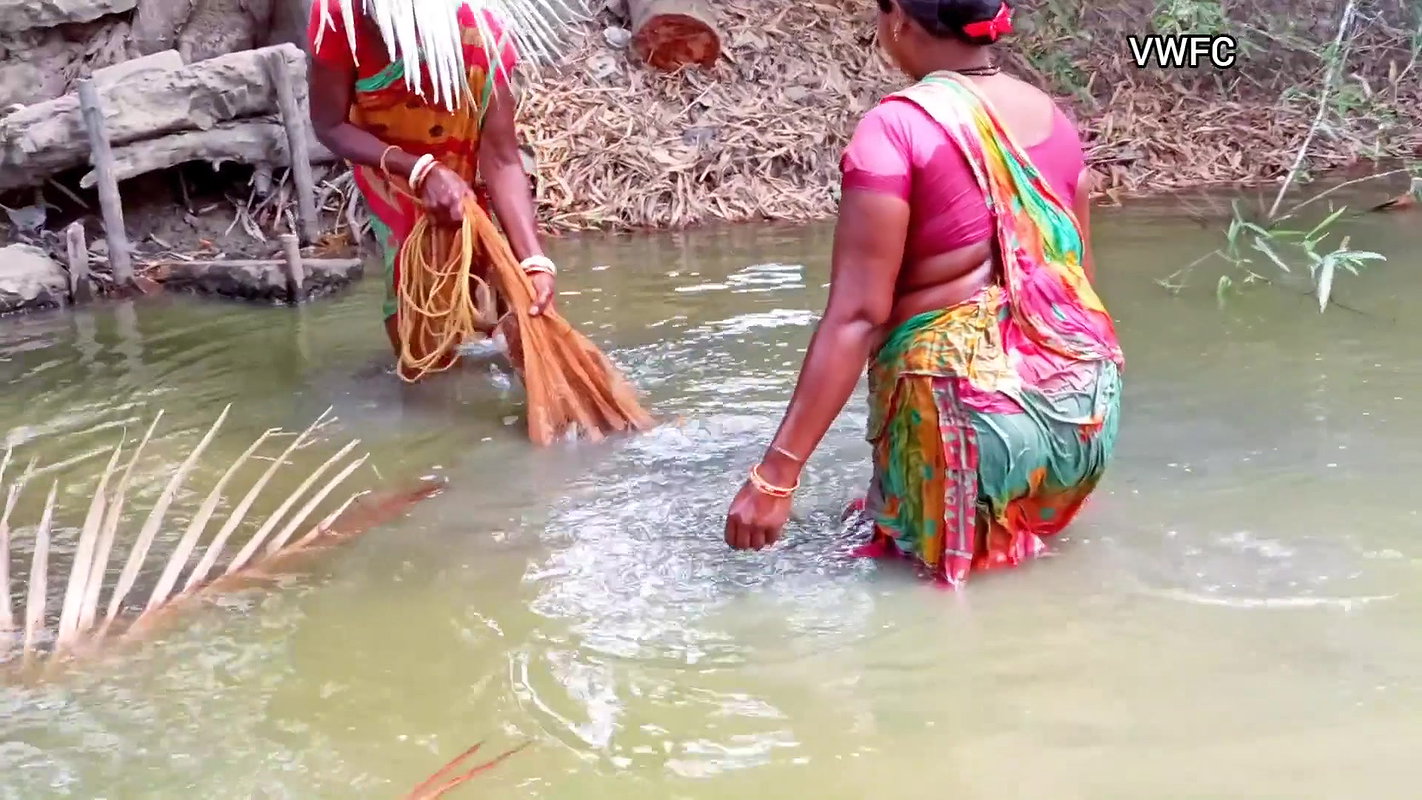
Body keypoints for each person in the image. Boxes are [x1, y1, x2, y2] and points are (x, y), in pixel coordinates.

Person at [723, 0, 1124, 586]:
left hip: (971, 415)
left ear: (900, 21)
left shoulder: (897, 126)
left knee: (937, 605)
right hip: (1085, 402)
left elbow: (857, 316)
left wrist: (775, 477)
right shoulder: (1053, 118)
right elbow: (1075, 280)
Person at [306, 0, 553, 379]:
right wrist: (418, 168)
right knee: (415, 296)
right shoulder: (340, 18)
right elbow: (329, 125)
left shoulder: (480, 34)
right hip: (388, 162)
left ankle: (504, 347)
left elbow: (502, 159)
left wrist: (534, 261)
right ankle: (432, 381)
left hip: (462, 153)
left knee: (504, 282)